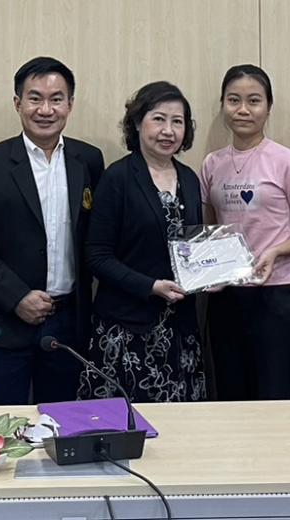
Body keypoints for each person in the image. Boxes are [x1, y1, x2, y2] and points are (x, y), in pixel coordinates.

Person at [0, 56, 104, 403]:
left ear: (70, 104)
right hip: (4, 320)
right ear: (18, 103)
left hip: (69, 322)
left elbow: (96, 236)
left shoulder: (89, 160)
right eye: (35, 98)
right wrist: (16, 296)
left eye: (56, 99)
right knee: (3, 423)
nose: (45, 109)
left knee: (62, 421)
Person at [80, 81, 207, 403]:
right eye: (158, 119)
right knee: (127, 425)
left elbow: (193, 246)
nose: (168, 131)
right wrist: (150, 286)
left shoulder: (189, 178)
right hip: (127, 329)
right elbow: (96, 255)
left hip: (180, 329)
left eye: (177, 121)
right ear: (137, 122)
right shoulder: (118, 177)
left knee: (181, 425)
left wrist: (210, 275)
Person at [201, 64, 290, 401]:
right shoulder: (211, 164)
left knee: (277, 394)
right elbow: (210, 230)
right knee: (231, 394)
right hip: (226, 296)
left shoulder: (287, 161)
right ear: (223, 105)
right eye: (233, 100)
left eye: (254, 101)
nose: (243, 109)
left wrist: (275, 251)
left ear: (268, 107)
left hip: (276, 294)